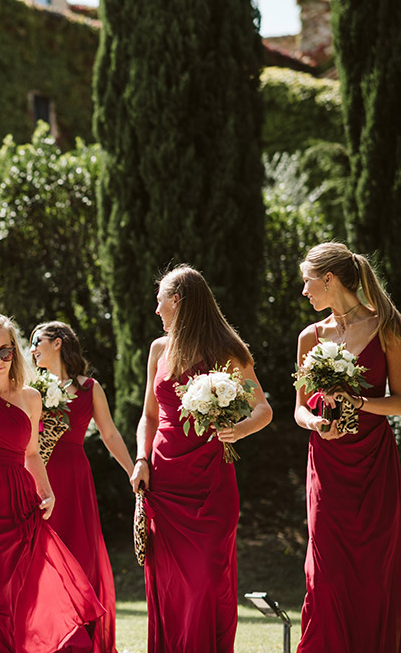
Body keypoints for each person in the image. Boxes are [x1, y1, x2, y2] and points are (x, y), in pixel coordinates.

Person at [0, 314, 105, 653]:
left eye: (5, 351)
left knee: (21, 592)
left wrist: (47, 490)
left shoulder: (30, 398)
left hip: (18, 503)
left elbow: (31, 454)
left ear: (15, 353)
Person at [130, 265, 272, 653]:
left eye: (160, 302)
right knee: (171, 587)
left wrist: (238, 430)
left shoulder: (227, 350)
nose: (156, 311)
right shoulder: (159, 349)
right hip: (164, 481)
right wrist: (140, 459)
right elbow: (148, 415)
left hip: (210, 484)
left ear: (177, 302)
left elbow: (263, 409)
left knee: (206, 581)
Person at [293, 243, 401, 652]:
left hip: (375, 466)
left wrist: (361, 403)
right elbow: (300, 409)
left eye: (307, 282)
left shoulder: (386, 326)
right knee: (326, 574)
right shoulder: (310, 336)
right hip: (327, 466)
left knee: (375, 574)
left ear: (329, 280)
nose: (304, 293)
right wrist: (318, 424)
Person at [30, 321, 133, 653]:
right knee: (40, 559)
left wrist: (133, 471)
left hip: (75, 479)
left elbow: (110, 434)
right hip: (37, 477)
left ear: (58, 344)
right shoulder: (28, 389)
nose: (32, 350)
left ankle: (81, 641)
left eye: (37, 342)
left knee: (81, 555)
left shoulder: (90, 388)